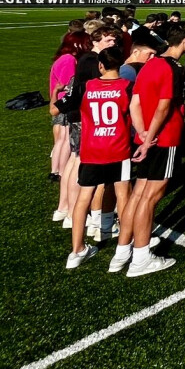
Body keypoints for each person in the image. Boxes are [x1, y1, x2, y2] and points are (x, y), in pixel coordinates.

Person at [112, 23, 185, 277]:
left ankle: (122, 251)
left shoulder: (149, 65)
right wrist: (150, 139)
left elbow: (134, 101)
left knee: (138, 194)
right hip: (164, 139)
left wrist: (142, 131)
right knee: (150, 197)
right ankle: (141, 256)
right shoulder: (172, 68)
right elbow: (164, 106)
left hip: (147, 135)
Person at [67, 46, 134, 269]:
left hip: (92, 149)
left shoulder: (86, 87)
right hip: (118, 148)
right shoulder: (127, 87)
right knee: (123, 194)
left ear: (100, 65)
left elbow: (57, 110)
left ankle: (76, 250)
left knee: (83, 198)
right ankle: (125, 243)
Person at [49, 32, 88, 186]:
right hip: (64, 102)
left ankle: (56, 170)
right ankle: (60, 170)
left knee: (61, 139)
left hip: (59, 101)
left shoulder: (63, 58)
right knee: (65, 139)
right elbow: (69, 83)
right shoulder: (69, 59)